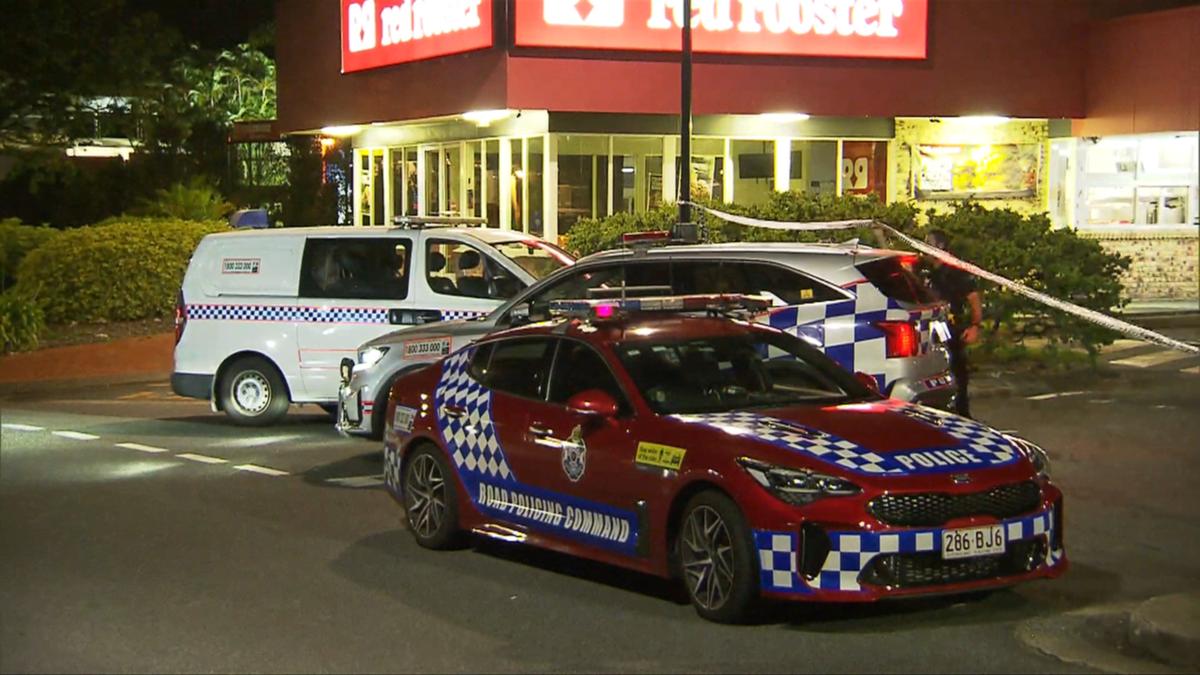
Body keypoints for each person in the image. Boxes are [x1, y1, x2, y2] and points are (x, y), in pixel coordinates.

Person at [921, 229, 983, 418]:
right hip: (929, 329)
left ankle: (962, 415)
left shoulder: (956, 272)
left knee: (957, 374)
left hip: (952, 328)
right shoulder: (926, 271)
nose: (925, 249)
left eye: (928, 244)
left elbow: (973, 298)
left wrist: (975, 325)